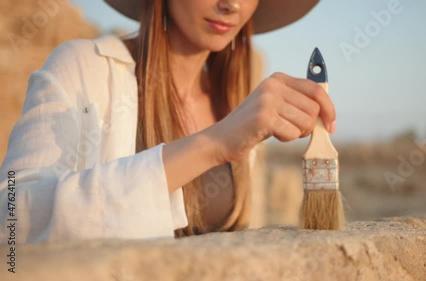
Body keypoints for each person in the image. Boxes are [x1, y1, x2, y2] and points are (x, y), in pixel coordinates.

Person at [0, 0, 335, 244]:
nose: (231, 4)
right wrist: (214, 145)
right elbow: (10, 219)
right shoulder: (83, 67)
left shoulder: (237, 98)